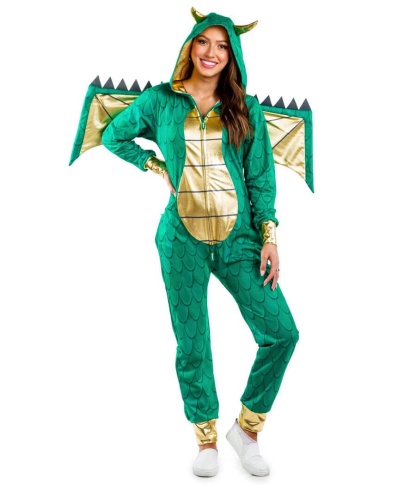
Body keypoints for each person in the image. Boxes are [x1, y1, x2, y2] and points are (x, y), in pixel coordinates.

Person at [101, 7, 299, 478]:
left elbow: (260, 176)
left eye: (223, 45)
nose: (212, 52)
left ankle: (247, 431)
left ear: (233, 55)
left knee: (282, 333)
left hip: (240, 239)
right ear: (190, 45)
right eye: (204, 42)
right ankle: (205, 438)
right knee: (193, 341)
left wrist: (269, 235)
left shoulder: (244, 107)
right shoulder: (160, 100)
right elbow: (113, 135)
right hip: (181, 240)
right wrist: (154, 166)